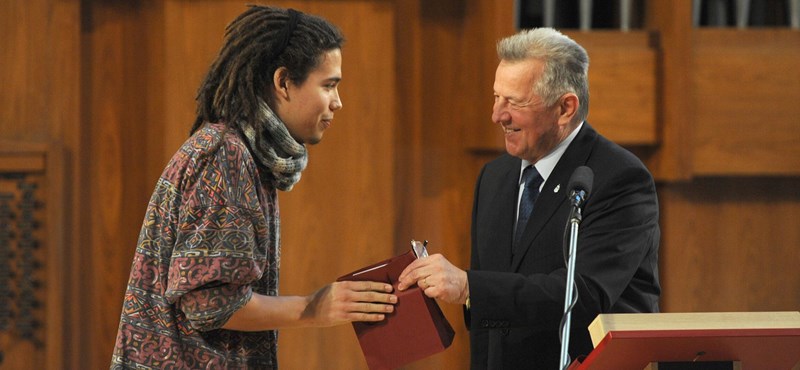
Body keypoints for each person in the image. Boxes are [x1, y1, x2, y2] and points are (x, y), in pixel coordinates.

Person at [111, 6, 397, 369]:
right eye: (329, 85)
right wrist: (316, 307)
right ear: (283, 82)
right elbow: (210, 305)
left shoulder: (242, 153)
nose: (338, 102)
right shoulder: (225, 156)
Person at [398, 28, 661, 369]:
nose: (498, 115)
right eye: (496, 97)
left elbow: (582, 294)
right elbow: (489, 323)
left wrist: (469, 286)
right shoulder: (494, 178)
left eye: (515, 102)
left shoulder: (619, 178)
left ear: (565, 108)